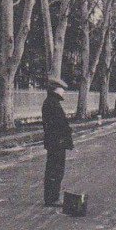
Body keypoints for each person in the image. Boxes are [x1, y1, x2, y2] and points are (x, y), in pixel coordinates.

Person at [42, 77, 73, 206]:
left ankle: (52, 197)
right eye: (62, 89)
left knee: (54, 170)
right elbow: (57, 125)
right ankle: (52, 198)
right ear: (55, 89)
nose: (63, 91)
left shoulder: (51, 102)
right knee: (55, 171)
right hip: (57, 143)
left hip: (55, 142)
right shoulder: (52, 103)